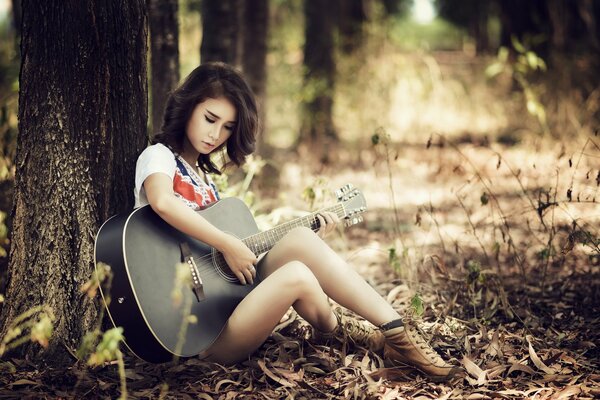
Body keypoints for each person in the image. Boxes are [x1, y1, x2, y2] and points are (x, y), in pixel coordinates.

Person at [134, 62, 460, 382]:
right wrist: (227, 242)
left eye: (228, 127)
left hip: (224, 312)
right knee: (294, 274)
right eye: (210, 119)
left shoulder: (205, 181)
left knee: (301, 243)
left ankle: (392, 333)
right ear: (188, 106)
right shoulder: (159, 156)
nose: (216, 134)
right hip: (195, 336)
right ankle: (389, 338)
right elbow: (163, 202)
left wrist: (311, 233)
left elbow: (229, 268)